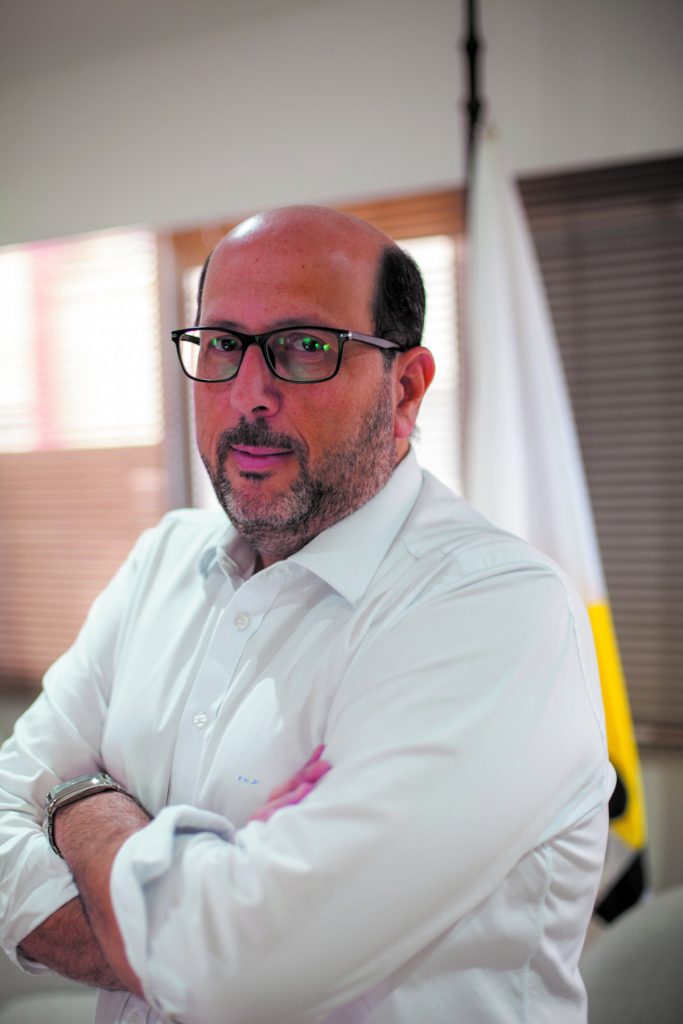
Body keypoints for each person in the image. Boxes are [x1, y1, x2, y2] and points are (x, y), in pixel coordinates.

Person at [0, 206, 613, 1023]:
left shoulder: (497, 610)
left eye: (305, 347)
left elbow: (237, 970)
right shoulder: (163, 559)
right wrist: (162, 936)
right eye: (222, 343)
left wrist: (79, 802)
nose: (247, 394)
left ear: (405, 388)